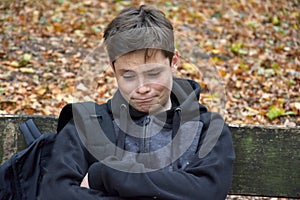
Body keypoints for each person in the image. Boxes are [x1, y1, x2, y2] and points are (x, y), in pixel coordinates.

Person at [39, 5, 235, 200]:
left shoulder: (207, 129)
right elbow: (54, 193)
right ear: (113, 69)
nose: (141, 88)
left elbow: (208, 192)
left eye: (153, 73)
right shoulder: (87, 124)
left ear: (174, 61)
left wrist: (107, 174)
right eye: (129, 76)